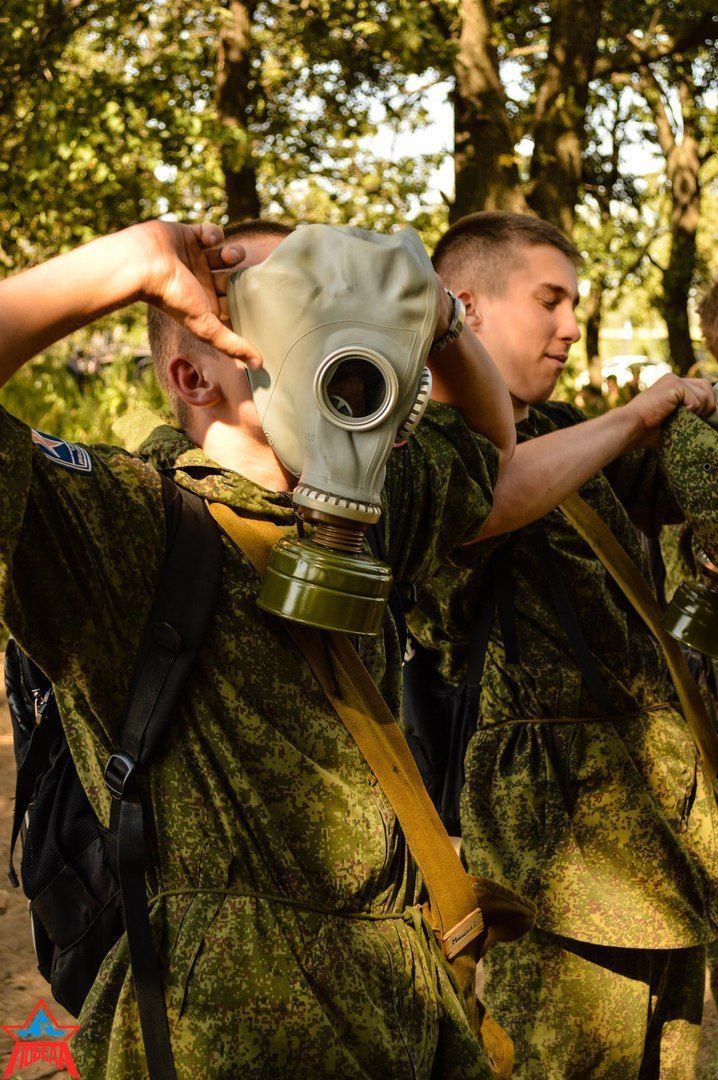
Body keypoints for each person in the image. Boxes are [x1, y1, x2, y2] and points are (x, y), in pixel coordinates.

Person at [0, 217, 522, 1079]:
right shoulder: (126, 524)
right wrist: (121, 266)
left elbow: (487, 448)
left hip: (403, 1015)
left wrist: (440, 321)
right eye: (292, 304)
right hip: (221, 1036)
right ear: (192, 373)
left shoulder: (368, 508)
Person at [407, 210, 718, 1079]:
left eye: (575, 304)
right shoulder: (425, 450)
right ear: (462, 307)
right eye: (550, 301)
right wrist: (636, 414)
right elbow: (490, 499)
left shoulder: (562, 429)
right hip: (560, 860)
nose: (572, 326)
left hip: (661, 840)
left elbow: (671, 486)